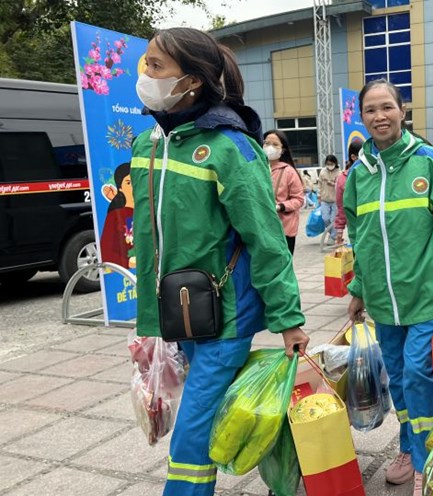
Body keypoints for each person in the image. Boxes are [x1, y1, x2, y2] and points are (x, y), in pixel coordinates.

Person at [129, 27, 308, 496]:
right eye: (146, 62)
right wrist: (149, 320)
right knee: (204, 425)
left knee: (189, 437)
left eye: (156, 66)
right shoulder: (147, 145)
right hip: (178, 311)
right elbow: (151, 236)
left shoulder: (231, 148)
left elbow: (266, 240)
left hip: (225, 316)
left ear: (191, 81)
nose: (145, 74)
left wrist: (289, 319)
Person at [344, 79, 433, 495]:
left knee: (419, 373)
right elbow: (361, 237)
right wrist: (358, 288)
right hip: (385, 306)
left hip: (428, 297)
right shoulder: (359, 175)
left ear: (402, 111)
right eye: (371, 110)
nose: (379, 116)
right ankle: (410, 447)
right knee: (401, 381)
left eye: (387, 107)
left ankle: (426, 462)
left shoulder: (430, 162)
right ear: (363, 117)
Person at [263, 129, 305, 254]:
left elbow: (299, 199)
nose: (270, 147)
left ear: (283, 150)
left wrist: (281, 206)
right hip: (262, 227)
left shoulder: (289, 172)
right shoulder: (257, 168)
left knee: (282, 268)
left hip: (284, 229)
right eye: (267, 143)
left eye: (275, 144)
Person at [100, 162, 135, 269]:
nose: (134, 187)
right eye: (128, 183)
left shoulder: (151, 209)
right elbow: (106, 253)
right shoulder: (115, 216)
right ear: (120, 188)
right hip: (127, 276)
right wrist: (128, 262)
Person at [334, 140, 363, 244]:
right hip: (356, 230)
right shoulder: (343, 179)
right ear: (353, 157)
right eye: (362, 155)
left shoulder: (374, 173)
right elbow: (341, 206)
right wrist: (339, 231)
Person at [318, 154, 341, 243]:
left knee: (333, 220)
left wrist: (333, 184)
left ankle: (332, 237)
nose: (329, 165)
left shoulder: (339, 172)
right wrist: (318, 196)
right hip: (325, 199)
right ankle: (333, 234)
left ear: (335, 163)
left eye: (331, 163)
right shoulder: (322, 172)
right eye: (328, 163)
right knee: (325, 218)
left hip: (335, 200)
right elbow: (319, 184)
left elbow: (341, 185)